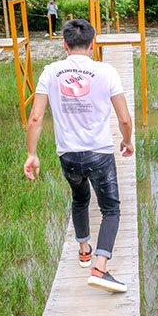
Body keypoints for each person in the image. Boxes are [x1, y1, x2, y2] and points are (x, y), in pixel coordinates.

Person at [24, 19, 134, 292]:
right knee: (110, 209)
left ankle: (84, 251)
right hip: (99, 154)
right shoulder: (106, 71)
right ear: (93, 44)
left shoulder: (50, 72)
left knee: (80, 198)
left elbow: (35, 118)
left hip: (68, 155)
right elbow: (124, 118)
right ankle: (100, 268)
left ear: (65, 45)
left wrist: (31, 154)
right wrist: (127, 141)